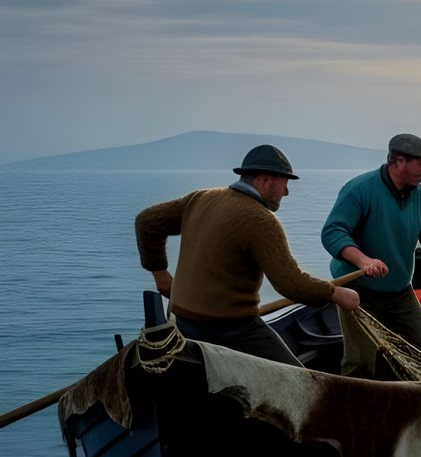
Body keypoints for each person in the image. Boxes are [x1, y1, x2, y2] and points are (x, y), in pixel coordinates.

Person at [134, 145, 360, 365]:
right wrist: (334, 293)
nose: (287, 192)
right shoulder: (260, 220)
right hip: (231, 329)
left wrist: (161, 275)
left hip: (181, 322)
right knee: (300, 381)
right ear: (265, 179)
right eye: (285, 183)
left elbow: (147, 221)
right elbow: (290, 284)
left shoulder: (201, 198)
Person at [321, 133, 421, 377]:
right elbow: (333, 232)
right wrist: (364, 261)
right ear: (399, 161)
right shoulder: (360, 189)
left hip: (400, 292)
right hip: (357, 292)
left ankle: (419, 398)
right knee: (360, 363)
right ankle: (354, 400)